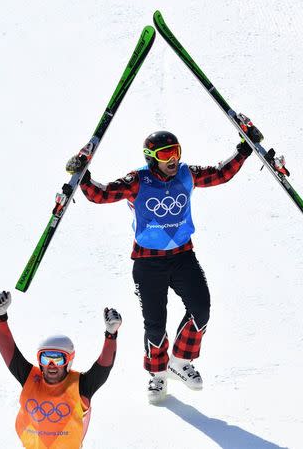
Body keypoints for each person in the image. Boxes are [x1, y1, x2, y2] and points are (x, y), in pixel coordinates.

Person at [66, 114, 262, 404]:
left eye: (176, 152)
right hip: (148, 263)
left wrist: (244, 149)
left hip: (183, 256)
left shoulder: (187, 174)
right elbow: (102, 195)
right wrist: (83, 176)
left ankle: (180, 362)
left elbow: (221, 174)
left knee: (201, 309)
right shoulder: (138, 181)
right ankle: (157, 375)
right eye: (165, 154)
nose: (173, 159)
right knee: (155, 325)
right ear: (151, 158)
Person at [0, 290, 122, 448]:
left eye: (58, 359)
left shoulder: (81, 386)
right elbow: (10, 352)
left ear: (68, 361)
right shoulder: (30, 378)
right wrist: (0, 316)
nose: (51, 365)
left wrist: (111, 334)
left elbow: (103, 367)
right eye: (46, 358)